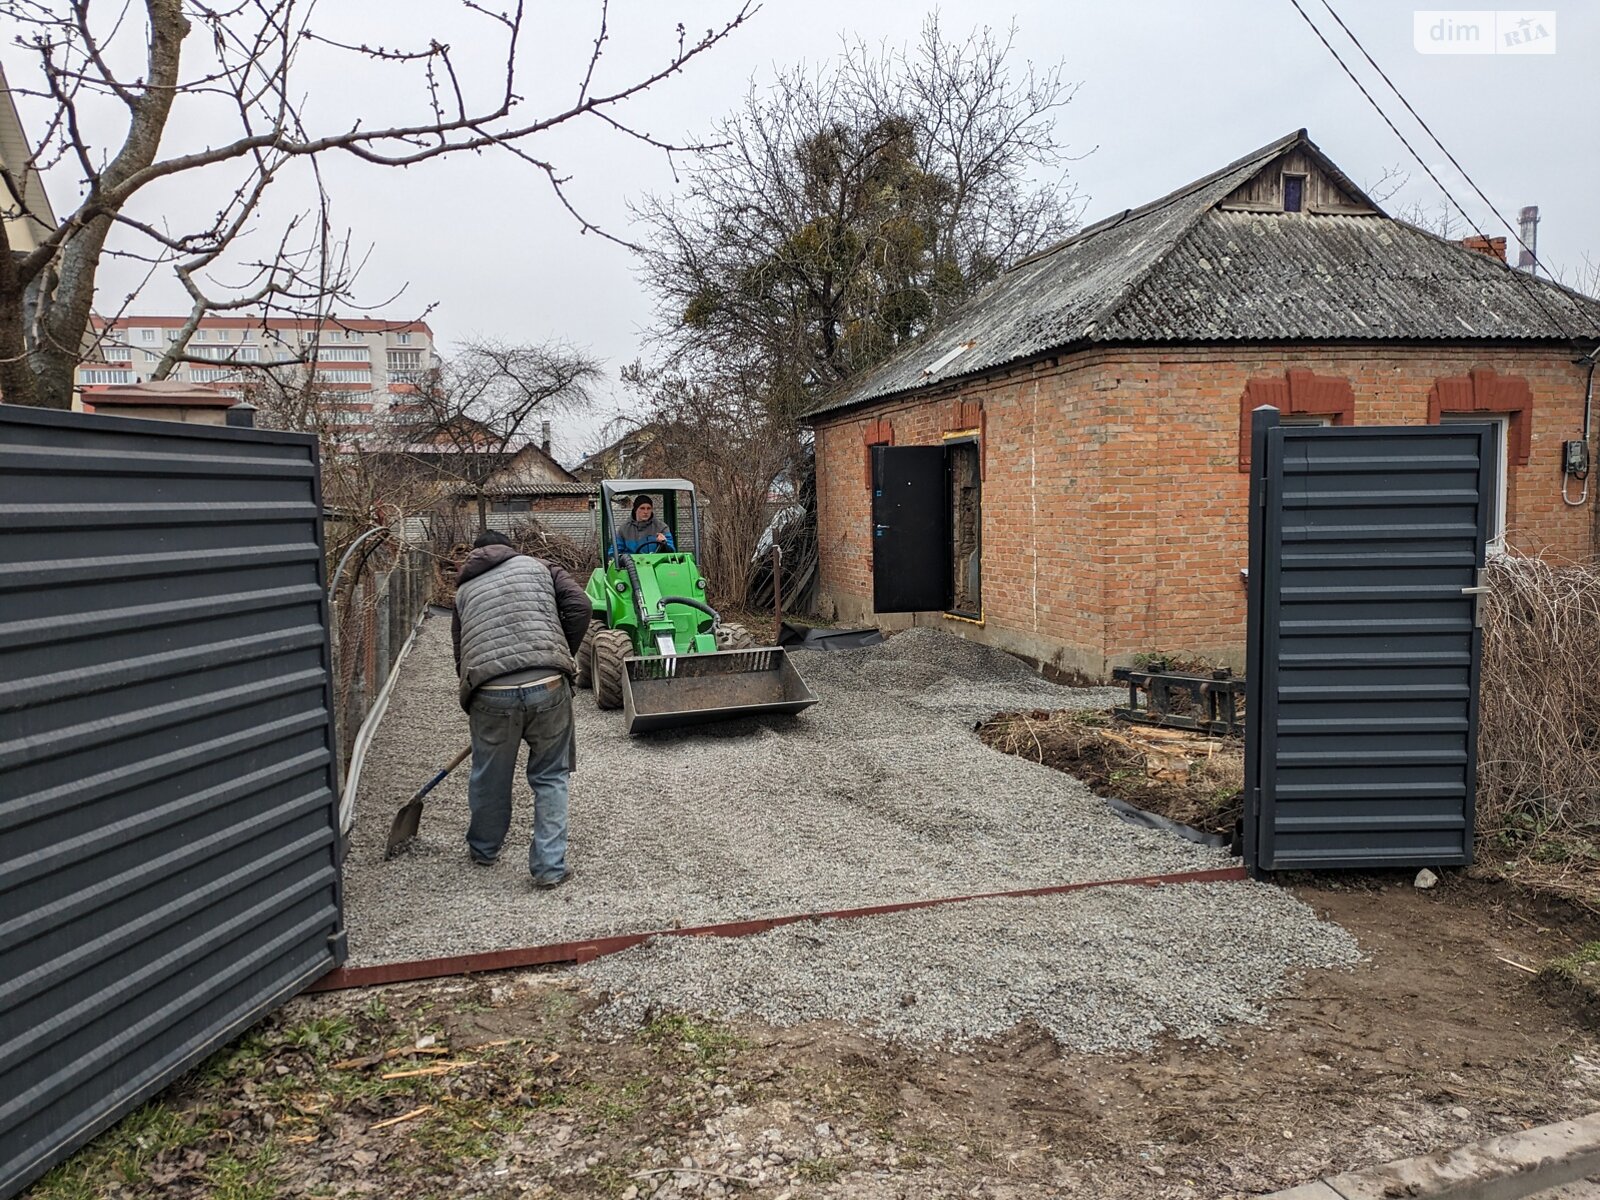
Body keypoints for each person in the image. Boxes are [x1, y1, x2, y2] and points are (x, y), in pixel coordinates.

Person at [451, 530, 591, 887]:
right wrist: (561, 658)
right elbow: (580, 606)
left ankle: (484, 850)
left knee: (489, 775)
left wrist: (479, 699)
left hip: (490, 692)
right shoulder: (541, 566)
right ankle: (548, 868)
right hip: (548, 686)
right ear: (509, 550)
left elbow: (461, 653)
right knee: (551, 776)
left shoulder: (464, 591)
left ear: (475, 555)